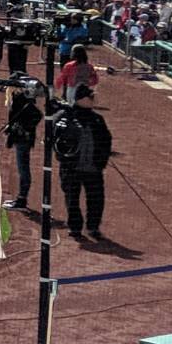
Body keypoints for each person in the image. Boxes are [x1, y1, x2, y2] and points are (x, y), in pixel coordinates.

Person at [55, 100, 112, 242]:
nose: (93, 100)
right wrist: (63, 158)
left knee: (96, 200)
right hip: (71, 168)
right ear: (81, 99)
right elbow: (55, 140)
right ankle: (75, 227)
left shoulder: (97, 119)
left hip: (93, 168)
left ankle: (93, 227)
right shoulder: (65, 117)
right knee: (72, 199)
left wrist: (101, 161)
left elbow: (107, 140)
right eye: (89, 97)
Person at [4, 84, 41, 211]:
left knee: (23, 170)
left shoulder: (20, 99)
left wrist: (22, 129)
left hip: (23, 141)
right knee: (23, 169)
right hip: (22, 139)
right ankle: (21, 199)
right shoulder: (20, 99)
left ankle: (22, 200)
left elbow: (37, 115)